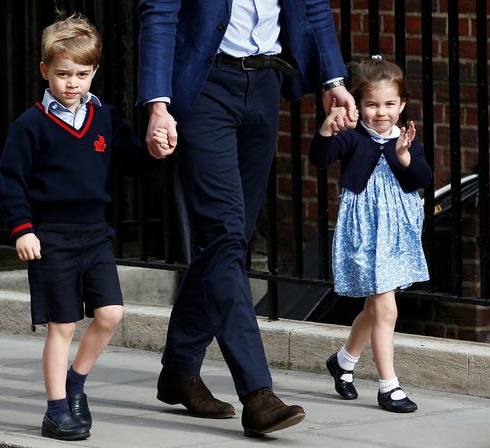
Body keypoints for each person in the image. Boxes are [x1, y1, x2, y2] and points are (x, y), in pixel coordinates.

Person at [136, 0, 358, 437]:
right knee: (223, 235)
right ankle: (257, 393)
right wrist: (157, 106)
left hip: (265, 87)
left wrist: (333, 79)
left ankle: (179, 370)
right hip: (203, 87)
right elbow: (159, 13)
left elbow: (311, 6)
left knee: (229, 239)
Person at [0, 12, 161, 441]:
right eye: (63, 73)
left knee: (110, 314)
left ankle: (76, 383)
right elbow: (10, 180)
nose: (72, 83)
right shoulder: (30, 125)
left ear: (94, 73)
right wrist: (22, 229)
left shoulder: (103, 117)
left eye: (82, 74)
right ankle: (55, 410)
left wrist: (155, 152)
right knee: (63, 325)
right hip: (51, 237)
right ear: (45, 71)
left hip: (95, 235)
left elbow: (127, 158)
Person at [309, 56, 432, 413]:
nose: (381, 113)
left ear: (402, 104)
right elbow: (320, 158)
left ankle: (344, 362)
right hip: (365, 230)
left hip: (397, 235)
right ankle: (388, 386)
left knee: (375, 308)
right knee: (386, 309)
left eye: (390, 104)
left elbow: (422, 179)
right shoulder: (352, 138)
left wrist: (405, 157)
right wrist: (327, 129)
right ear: (359, 105)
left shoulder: (404, 139)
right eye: (372, 104)